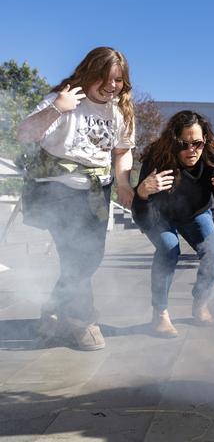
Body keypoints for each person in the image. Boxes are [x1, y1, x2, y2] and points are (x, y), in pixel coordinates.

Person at [16, 47, 135, 351]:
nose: (111, 86)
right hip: (58, 189)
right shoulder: (65, 98)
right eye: (105, 79)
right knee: (76, 256)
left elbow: (122, 150)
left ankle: (53, 311)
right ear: (88, 73)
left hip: (97, 190)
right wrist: (57, 108)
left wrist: (123, 183)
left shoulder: (119, 111)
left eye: (118, 80)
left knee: (90, 257)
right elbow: (24, 134)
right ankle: (82, 321)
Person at [131, 111, 214, 337]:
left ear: (205, 141)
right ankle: (160, 313)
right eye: (184, 144)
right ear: (174, 143)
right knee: (168, 247)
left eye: (197, 143)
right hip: (160, 214)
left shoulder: (213, 158)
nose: (192, 150)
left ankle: (201, 303)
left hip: (195, 213)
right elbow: (140, 216)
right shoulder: (158, 157)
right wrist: (142, 193)